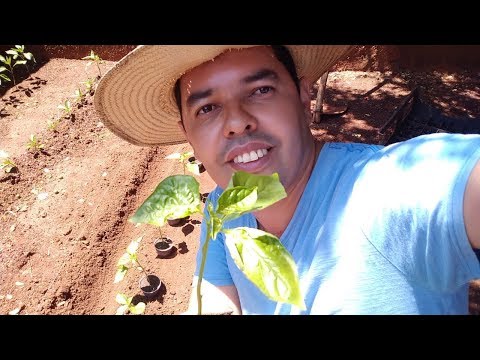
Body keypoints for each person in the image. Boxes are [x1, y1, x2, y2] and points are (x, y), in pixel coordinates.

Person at [94, 45, 480, 315]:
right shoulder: (224, 209)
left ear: (303, 95)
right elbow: (216, 293)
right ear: (187, 131)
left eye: (261, 90)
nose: (236, 121)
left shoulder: (387, 192)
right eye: (208, 108)